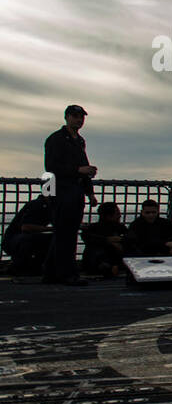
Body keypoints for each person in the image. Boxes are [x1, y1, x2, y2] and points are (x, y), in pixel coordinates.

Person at [42, 104, 97, 286]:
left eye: (81, 117)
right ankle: (67, 274)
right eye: (75, 116)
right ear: (66, 117)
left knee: (65, 233)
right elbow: (51, 167)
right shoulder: (56, 140)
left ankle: (51, 272)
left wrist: (89, 192)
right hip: (63, 191)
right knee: (66, 234)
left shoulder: (79, 141)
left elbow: (83, 164)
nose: (79, 120)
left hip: (75, 191)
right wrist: (78, 170)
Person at [3, 194, 54, 274]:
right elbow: (26, 227)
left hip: (14, 240)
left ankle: (29, 266)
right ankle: (21, 265)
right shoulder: (38, 205)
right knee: (31, 239)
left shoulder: (47, 206)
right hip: (14, 241)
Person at [80, 203, 127, 277]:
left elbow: (131, 238)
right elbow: (87, 237)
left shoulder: (120, 227)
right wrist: (107, 240)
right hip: (97, 261)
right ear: (108, 216)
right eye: (117, 214)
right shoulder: (93, 229)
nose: (120, 216)